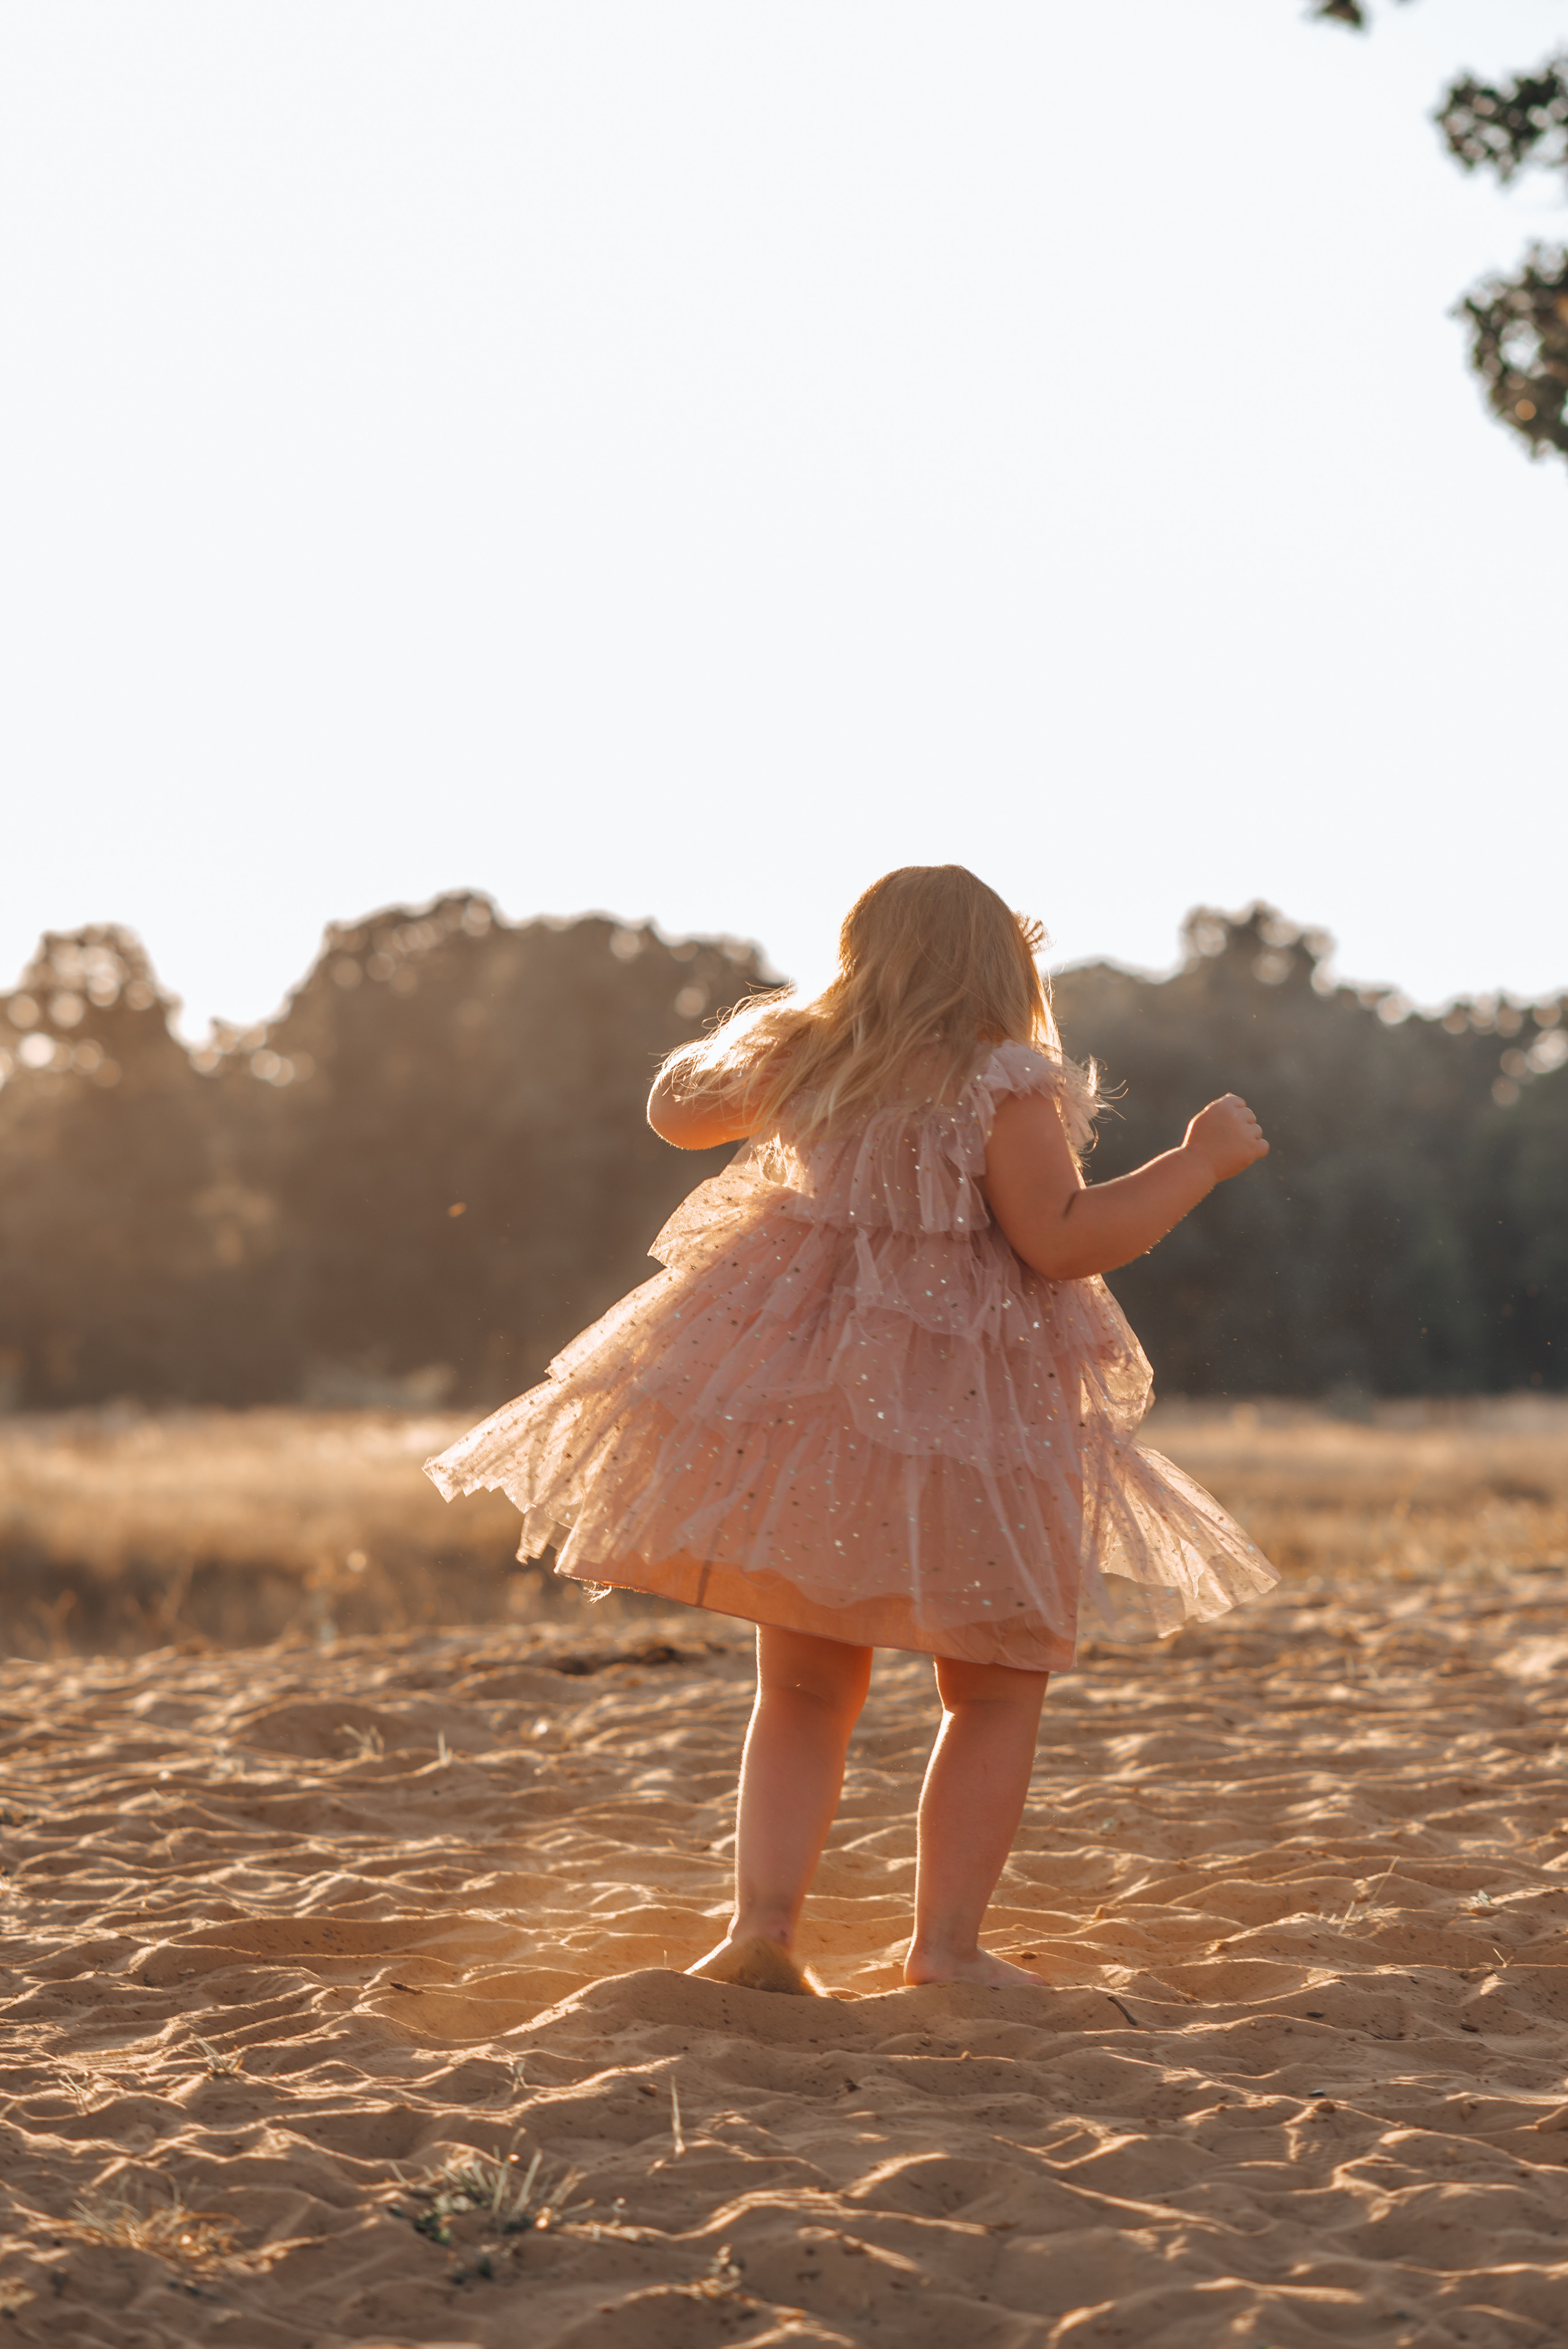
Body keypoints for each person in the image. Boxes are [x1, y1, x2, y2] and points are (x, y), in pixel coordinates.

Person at [426, 865, 1276, 1994]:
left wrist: (792, 1023)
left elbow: (674, 1109)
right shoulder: (1002, 1081)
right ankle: (946, 1948)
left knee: (803, 1688)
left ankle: (764, 1928)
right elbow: (1063, 1238)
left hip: (819, 1413)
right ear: (1004, 967)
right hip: (971, 1419)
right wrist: (1195, 1162)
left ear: (855, 961)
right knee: (995, 1686)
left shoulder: (816, 1062)